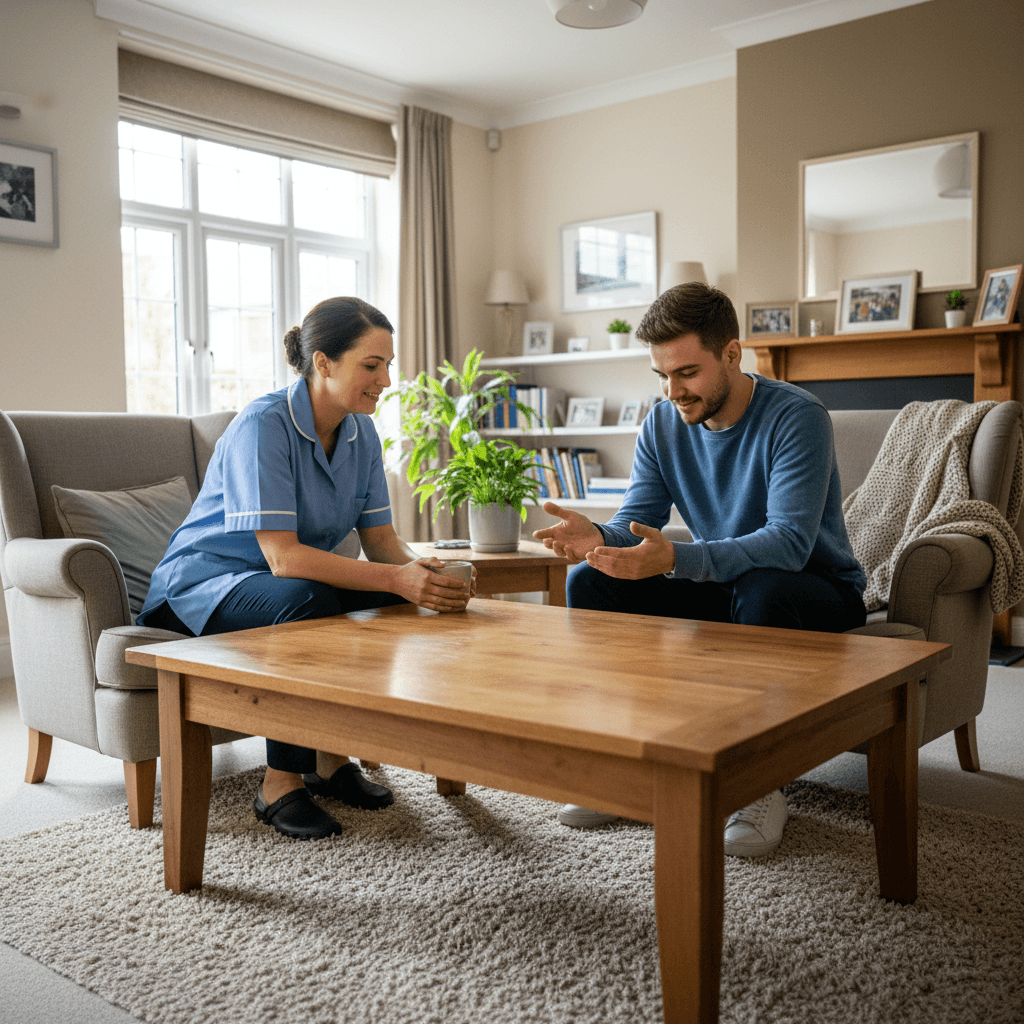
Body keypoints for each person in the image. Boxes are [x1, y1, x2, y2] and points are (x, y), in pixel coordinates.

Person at [534, 282, 866, 856]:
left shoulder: (796, 416)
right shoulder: (662, 424)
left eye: (686, 372)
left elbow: (788, 544)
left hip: (814, 591)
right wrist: (599, 536)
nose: (673, 391)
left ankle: (759, 784)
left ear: (731, 355)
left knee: (763, 588)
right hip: (727, 583)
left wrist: (680, 559)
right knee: (590, 577)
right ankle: (626, 761)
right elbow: (636, 521)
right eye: (662, 375)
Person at [138, 296, 476, 842]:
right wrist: (396, 576)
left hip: (286, 584)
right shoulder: (262, 424)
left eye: (388, 365)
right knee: (305, 601)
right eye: (372, 365)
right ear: (323, 362)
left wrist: (427, 574)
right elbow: (283, 558)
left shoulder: (362, 432)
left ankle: (329, 756)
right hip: (202, 588)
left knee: (390, 600)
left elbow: (383, 541)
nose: (386, 379)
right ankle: (279, 782)